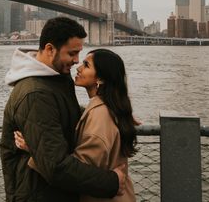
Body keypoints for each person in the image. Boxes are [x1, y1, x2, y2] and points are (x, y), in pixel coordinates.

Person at [0, 17, 126, 202]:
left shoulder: (57, 76)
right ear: (50, 49)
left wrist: (111, 110)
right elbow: (57, 168)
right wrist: (112, 182)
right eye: (72, 54)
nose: (76, 61)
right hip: (37, 194)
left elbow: (66, 112)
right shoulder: (35, 95)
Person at [15, 48, 137, 202]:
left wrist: (35, 149)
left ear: (100, 78)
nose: (78, 67)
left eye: (86, 65)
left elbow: (77, 171)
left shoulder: (100, 115)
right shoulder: (107, 107)